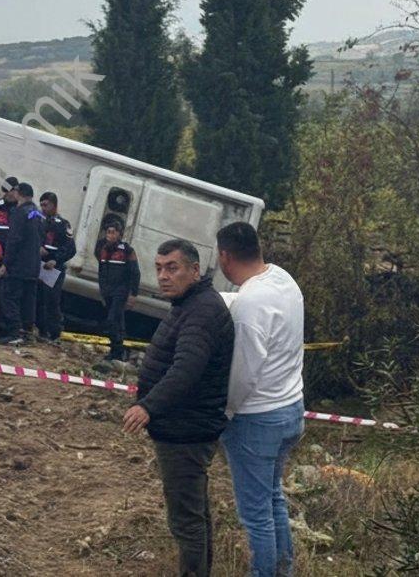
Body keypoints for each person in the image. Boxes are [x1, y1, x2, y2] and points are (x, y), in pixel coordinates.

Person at [122, 239, 234, 577]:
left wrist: (148, 407)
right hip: (185, 426)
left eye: (172, 268)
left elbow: (187, 368)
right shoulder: (190, 304)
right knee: (195, 515)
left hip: (186, 432)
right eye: (158, 268)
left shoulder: (201, 311)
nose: (163, 276)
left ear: (195, 270)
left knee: (186, 522)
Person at [216, 222, 305, 577]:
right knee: (272, 499)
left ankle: (265, 573)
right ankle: (285, 570)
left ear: (225, 256)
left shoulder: (249, 303)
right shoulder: (283, 279)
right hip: (291, 408)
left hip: (256, 418)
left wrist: (225, 411)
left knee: (255, 515)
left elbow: (244, 371)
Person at [0, 183, 42, 344]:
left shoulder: (19, 212)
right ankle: (27, 332)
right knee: (28, 300)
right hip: (34, 265)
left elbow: (14, 240)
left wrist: (6, 263)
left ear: (19, 193)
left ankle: (13, 331)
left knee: (9, 296)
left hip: (18, 265)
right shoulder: (37, 213)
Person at [95, 221, 140, 363]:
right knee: (118, 321)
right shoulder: (101, 247)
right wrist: (102, 290)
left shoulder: (127, 250)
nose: (110, 235)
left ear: (120, 235)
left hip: (120, 290)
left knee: (112, 320)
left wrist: (133, 294)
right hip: (107, 290)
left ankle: (116, 350)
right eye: (108, 232)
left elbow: (135, 273)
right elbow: (101, 270)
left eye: (113, 232)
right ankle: (119, 351)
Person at [36, 191, 76, 342]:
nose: (43, 208)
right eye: (41, 205)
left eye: (46, 205)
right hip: (40, 265)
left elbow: (70, 249)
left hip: (54, 268)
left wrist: (56, 260)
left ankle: (55, 332)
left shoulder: (63, 224)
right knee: (39, 299)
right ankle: (41, 330)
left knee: (52, 300)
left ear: (53, 205)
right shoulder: (40, 221)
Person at [0, 176, 20, 296]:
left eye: (13, 191)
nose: (11, 194)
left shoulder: (20, 208)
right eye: (8, 191)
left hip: (12, 255)